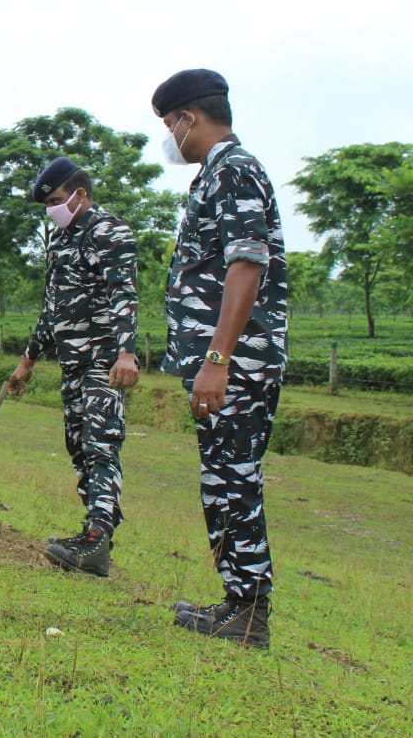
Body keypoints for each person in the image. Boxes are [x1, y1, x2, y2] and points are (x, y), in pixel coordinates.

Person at [152, 69, 287, 649]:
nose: (168, 137)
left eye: (167, 125)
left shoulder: (234, 170)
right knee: (223, 480)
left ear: (188, 118)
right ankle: (238, 601)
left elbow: (246, 264)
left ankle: (249, 613)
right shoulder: (215, 175)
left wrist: (217, 357)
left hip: (237, 362)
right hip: (228, 361)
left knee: (233, 481)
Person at [7, 157, 139, 578]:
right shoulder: (60, 240)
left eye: (57, 199)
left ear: (81, 194)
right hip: (72, 363)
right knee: (79, 448)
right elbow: (52, 307)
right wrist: (28, 359)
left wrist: (126, 353)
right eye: (47, 203)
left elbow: (124, 295)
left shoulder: (110, 233)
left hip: (104, 361)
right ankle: (90, 535)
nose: (52, 208)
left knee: (101, 445)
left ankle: (97, 541)